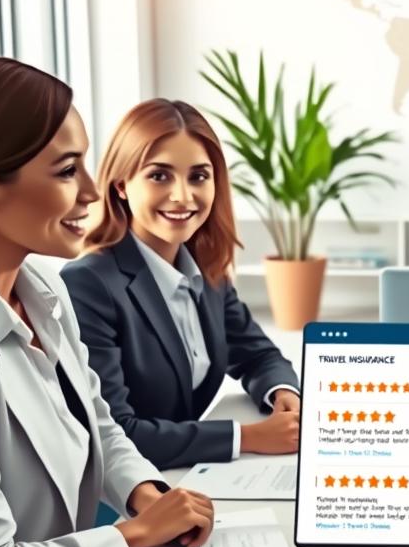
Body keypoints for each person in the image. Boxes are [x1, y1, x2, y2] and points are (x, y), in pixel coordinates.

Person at [0, 57, 215, 547]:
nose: (91, 195)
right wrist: (134, 535)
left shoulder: (41, 294)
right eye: (65, 171)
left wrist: (145, 493)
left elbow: (98, 424)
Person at [61, 99, 301, 471]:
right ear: (122, 185)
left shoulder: (206, 272)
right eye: (160, 176)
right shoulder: (89, 284)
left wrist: (281, 391)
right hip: (121, 498)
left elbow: (258, 355)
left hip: (184, 475)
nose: (183, 196)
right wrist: (248, 436)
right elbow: (116, 432)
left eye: (198, 176)